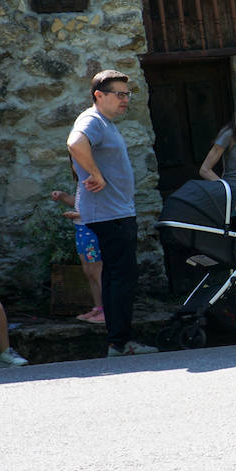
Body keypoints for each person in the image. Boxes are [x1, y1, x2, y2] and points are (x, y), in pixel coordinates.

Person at [66, 70, 157, 357]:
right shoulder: (92, 120)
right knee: (120, 278)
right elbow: (74, 144)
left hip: (116, 212)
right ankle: (119, 343)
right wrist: (94, 174)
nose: (125, 100)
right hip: (109, 214)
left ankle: (119, 341)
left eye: (127, 94)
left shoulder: (105, 123)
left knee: (118, 278)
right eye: (119, 94)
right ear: (99, 95)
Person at [51, 181, 104, 323]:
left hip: (91, 230)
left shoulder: (94, 180)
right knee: (88, 271)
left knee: (96, 271)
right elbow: (79, 203)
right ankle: (99, 308)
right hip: (81, 229)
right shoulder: (81, 182)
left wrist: (79, 215)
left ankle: (108, 310)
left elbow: (101, 206)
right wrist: (64, 196)